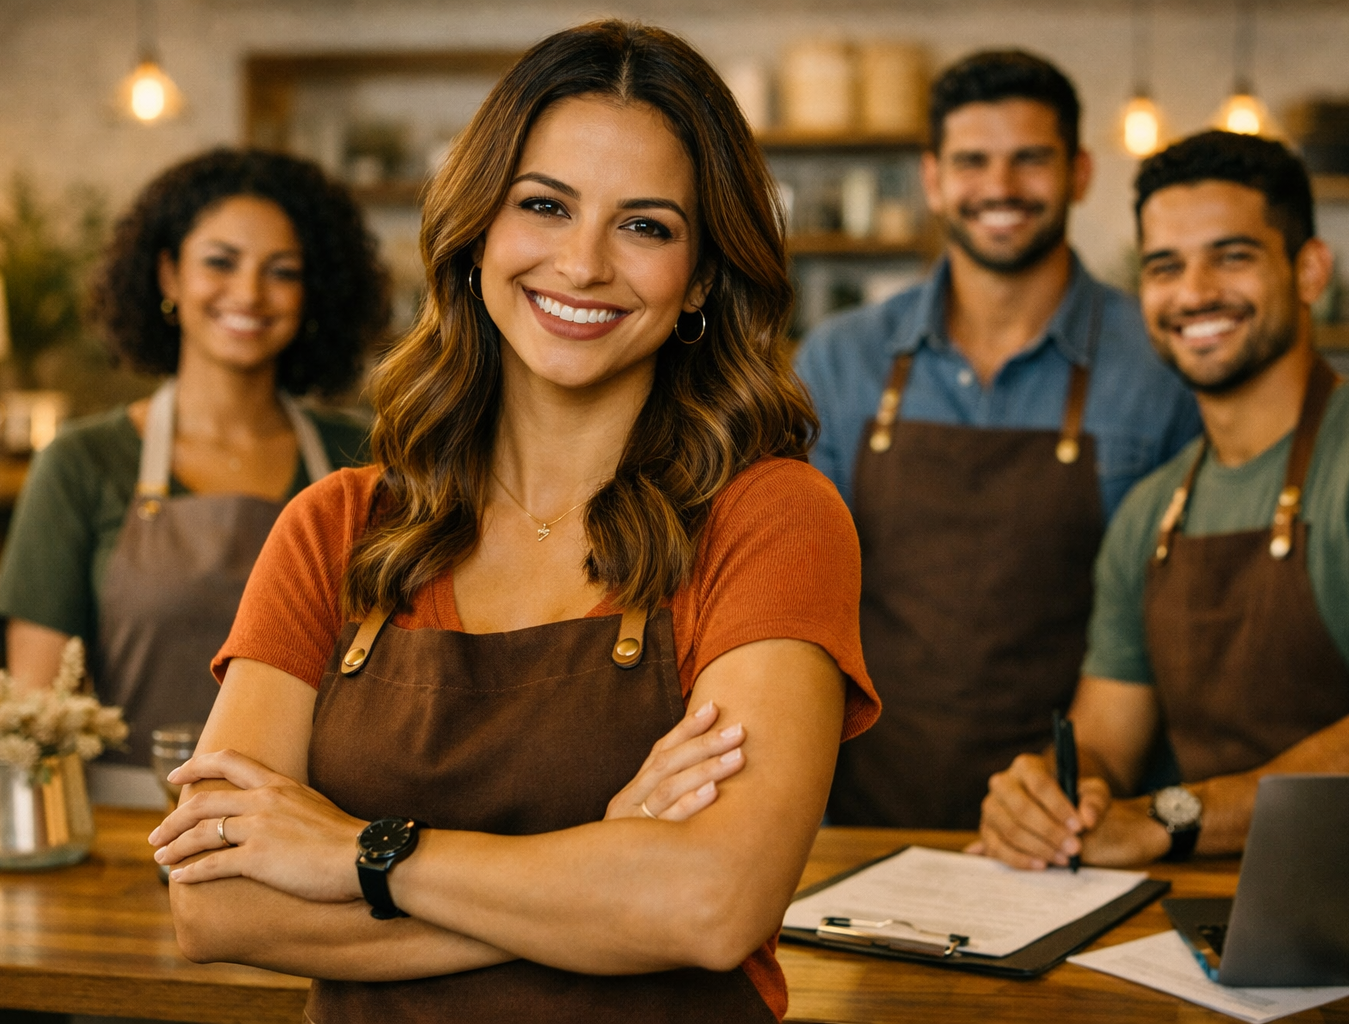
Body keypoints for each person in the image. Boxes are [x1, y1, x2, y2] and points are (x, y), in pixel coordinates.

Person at [148, 22, 878, 1023]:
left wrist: (357, 853)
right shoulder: (336, 526)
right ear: (480, 229)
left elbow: (712, 904)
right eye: (544, 205)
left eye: (647, 226)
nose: (581, 264)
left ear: (704, 274)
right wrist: (605, 870)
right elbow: (217, 904)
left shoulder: (774, 517)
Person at [977, 131, 1349, 870]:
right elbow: (1106, 739)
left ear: (1311, 270)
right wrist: (1053, 797)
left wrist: (1169, 818)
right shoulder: (1153, 511)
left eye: (1233, 256)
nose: (1194, 293)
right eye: (1165, 267)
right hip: (1214, 913)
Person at [794, 50, 1202, 829]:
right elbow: (798, 599)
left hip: (1078, 816)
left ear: (1080, 173)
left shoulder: (1160, 364)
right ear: (934, 179)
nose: (1001, 188)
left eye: (1030, 160)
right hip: (862, 817)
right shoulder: (841, 360)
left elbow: (1171, 623)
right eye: (972, 161)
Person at [0, 149, 387, 806]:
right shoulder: (81, 463)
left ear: (315, 293)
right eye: (220, 262)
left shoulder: (367, 455)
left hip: (320, 826)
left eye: (282, 271)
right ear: (169, 274)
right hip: (129, 826)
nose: (249, 294)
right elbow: (37, 714)